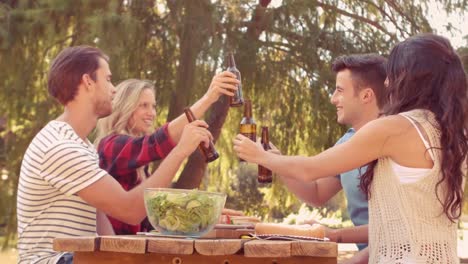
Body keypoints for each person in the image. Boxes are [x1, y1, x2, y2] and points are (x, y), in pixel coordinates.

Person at [234, 33, 467, 263]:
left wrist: (260, 156)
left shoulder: (394, 128)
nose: (387, 83)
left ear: (409, 78)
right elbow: (408, 225)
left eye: (393, 75)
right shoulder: (451, 133)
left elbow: (310, 169)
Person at [16, 46, 236, 264]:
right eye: (109, 79)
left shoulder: (81, 146)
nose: (114, 89)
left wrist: (121, 256)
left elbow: (98, 215)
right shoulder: (61, 147)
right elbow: (130, 210)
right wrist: (180, 151)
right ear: (88, 82)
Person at [93, 76, 238, 235]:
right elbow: (155, 143)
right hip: (115, 252)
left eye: (153, 106)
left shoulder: (140, 166)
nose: (152, 113)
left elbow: (155, 217)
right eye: (143, 106)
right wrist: (208, 98)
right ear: (124, 107)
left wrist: (205, 212)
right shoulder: (111, 145)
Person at [279, 54, 386, 263]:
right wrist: (276, 162)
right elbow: (317, 193)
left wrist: (335, 234)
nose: (332, 98)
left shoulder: (394, 140)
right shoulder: (347, 141)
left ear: (366, 95)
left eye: (340, 90)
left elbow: (396, 227)